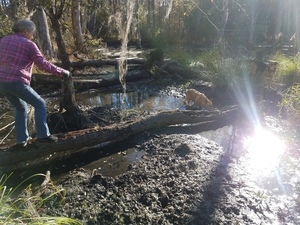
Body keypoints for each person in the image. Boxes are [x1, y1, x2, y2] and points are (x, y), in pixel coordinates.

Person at [0, 19, 70, 148]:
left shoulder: (3, 40)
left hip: (2, 83)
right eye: (32, 33)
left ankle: (21, 141)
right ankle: (43, 136)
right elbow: (42, 64)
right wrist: (63, 72)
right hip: (17, 82)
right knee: (40, 104)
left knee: (21, 108)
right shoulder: (29, 44)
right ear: (26, 31)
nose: (33, 36)